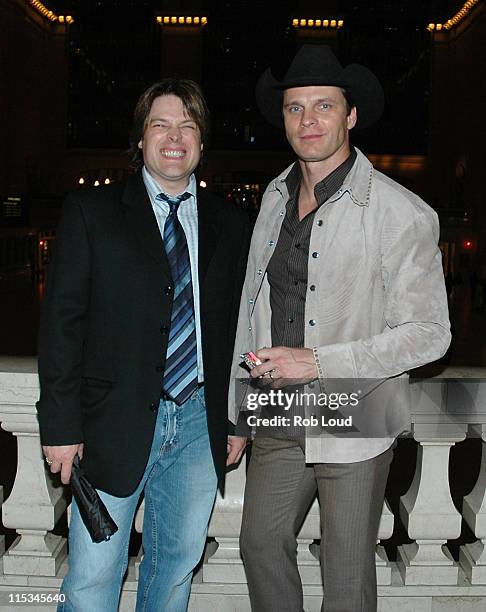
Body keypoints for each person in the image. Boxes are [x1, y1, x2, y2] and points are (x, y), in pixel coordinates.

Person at [228, 45, 451, 612]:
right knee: (258, 546)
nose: (308, 121)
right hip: (275, 411)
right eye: (295, 107)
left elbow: (430, 332)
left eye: (323, 106)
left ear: (350, 116)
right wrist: (237, 410)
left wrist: (321, 361)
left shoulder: (401, 212)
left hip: (354, 413)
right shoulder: (273, 200)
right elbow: (250, 307)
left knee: (347, 579)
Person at [37, 79, 250, 612]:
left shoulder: (231, 224)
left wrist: (237, 416)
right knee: (91, 581)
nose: (174, 136)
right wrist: (61, 428)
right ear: (140, 139)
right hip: (111, 426)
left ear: (201, 142)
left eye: (187, 125)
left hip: (201, 427)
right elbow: (62, 325)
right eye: (161, 124)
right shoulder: (92, 212)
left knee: (175, 573)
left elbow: (243, 328)